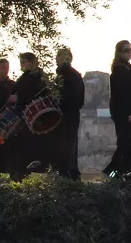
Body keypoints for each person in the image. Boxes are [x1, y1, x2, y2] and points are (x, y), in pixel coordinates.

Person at [104, 41, 131, 179]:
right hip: (125, 113)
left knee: (130, 142)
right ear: (119, 52)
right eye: (126, 50)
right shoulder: (120, 70)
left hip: (128, 111)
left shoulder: (126, 68)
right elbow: (124, 94)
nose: (129, 52)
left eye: (130, 50)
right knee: (127, 142)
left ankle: (120, 172)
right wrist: (130, 112)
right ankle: (113, 172)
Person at [9, 52, 48, 181]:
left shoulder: (39, 76)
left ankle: (26, 173)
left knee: (29, 146)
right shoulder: (24, 76)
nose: (21, 64)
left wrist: (19, 98)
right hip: (22, 116)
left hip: (34, 117)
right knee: (20, 146)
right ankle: (19, 173)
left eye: (23, 61)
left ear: (31, 62)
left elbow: (37, 94)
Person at [53, 48, 84, 180]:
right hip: (65, 114)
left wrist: (60, 102)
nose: (56, 60)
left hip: (68, 115)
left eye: (58, 57)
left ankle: (68, 173)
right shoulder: (65, 75)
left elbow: (74, 97)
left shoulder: (71, 76)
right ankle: (65, 171)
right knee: (64, 144)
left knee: (68, 144)